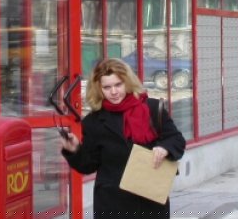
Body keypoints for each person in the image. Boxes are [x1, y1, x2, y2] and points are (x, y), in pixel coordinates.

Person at [60, 58, 186, 219]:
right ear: (98, 89)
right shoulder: (93, 121)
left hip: (149, 202)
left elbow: (176, 139)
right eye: (107, 87)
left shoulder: (152, 109)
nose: (113, 92)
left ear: (127, 82)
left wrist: (164, 148)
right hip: (112, 205)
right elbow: (88, 165)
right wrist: (74, 150)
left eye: (118, 85)